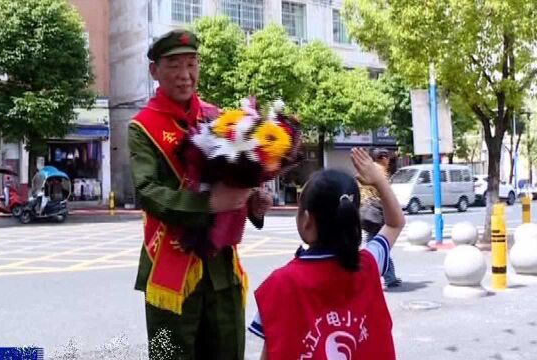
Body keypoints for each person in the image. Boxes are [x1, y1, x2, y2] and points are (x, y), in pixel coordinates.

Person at [128, 29, 272, 359]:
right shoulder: (142, 126)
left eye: (191, 64)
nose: (184, 75)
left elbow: (231, 183)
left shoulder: (216, 116)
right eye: (174, 65)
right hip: (169, 265)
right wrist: (206, 204)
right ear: (155, 71)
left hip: (221, 267)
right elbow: (148, 191)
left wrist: (254, 205)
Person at [248, 148, 405, 359]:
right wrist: (379, 180)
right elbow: (395, 223)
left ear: (307, 220)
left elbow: (272, 351)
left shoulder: (280, 284)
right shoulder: (368, 264)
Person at [360, 148, 402, 288]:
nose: (389, 161)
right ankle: (386, 276)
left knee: (376, 243)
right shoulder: (380, 172)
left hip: (366, 211)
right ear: (382, 158)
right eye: (387, 158)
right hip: (376, 213)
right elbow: (385, 194)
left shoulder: (366, 170)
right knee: (380, 245)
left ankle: (389, 276)